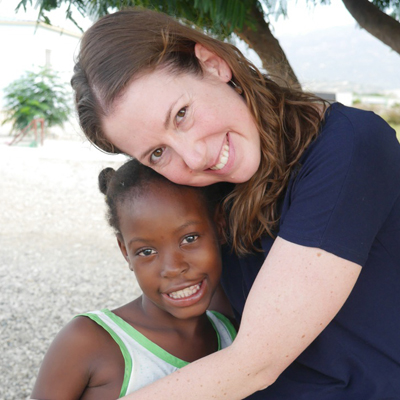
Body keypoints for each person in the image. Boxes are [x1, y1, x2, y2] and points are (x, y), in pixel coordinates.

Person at [71, 8, 400, 400]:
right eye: (157, 152)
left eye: (182, 115)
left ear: (213, 65)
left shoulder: (350, 147)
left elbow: (256, 362)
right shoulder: (207, 189)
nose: (194, 158)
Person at [31, 159, 237, 399]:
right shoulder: (88, 341)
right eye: (146, 252)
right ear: (125, 252)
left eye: (189, 239)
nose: (172, 268)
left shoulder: (235, 333)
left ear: (220, 226)